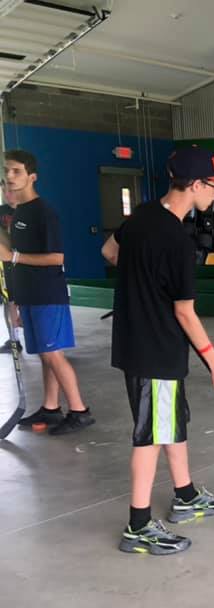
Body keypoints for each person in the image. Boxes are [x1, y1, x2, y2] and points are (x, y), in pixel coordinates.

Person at [101, 145, 214, 556]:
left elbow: (109, 251)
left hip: (139, 343)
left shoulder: (142, 215)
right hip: (155, 350)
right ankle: (138, 526)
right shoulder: (178, 240)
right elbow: (185, 312)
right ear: (194, 184)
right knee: (150, 436)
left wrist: (142, 279)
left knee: (170, 423)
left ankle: (186, 495)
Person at [0, 150, 94, 434]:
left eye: (16, 171)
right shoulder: (19, 213)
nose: (9, 176)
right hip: (29, 295)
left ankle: (79, 411)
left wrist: (13, 257)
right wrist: (16, 300)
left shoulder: (44, 212)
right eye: (6, 171)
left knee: (53, 354)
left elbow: (56, 258)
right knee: (44, 353)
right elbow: (12, 254)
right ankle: (51, 408)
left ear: (32, 177)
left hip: (47, 294)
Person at [0, 188, 22, 355]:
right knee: (10, 303)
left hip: (23, 263)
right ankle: (14, 341)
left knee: (24, 305)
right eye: (3, 190)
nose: (6, 193)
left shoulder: (27, 210)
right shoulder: (2, 210)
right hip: (6, 265)